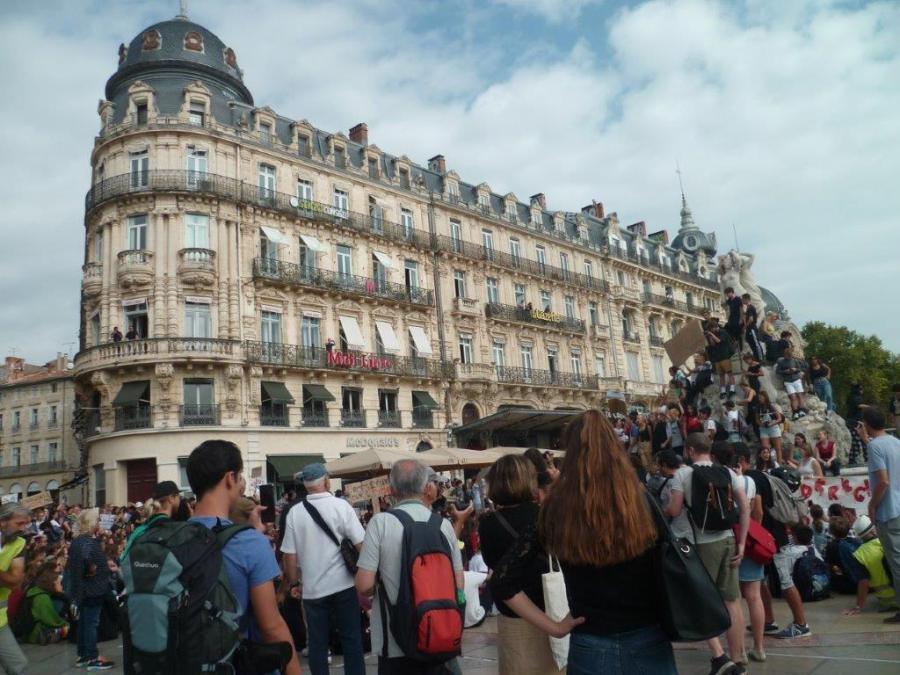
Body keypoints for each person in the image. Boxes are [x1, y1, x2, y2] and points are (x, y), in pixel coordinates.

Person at [492, 410, 677, 675]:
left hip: (590, 642)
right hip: (647, 636)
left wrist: (555, 628)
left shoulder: (556, 509)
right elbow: (670, 558)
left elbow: (503, 580)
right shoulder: (640, 500)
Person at [186, 440, 301, 675]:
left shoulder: (174, 538)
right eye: (240, 478)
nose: (241, 486)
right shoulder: (249, 543)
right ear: (230, 478)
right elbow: (271, 627)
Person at [355, 459, 464, 674]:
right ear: (425, 487)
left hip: (394, 640)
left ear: (391, 489)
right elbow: (458, 582)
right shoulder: (443, 525)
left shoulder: (380, 523)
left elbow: (364, 585)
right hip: (438, 633)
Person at [667, 434, 750, 674]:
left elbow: (674, 510)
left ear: (690, 450)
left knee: (701, 600)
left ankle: (720, 656)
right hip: (729, 540)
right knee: (732, 600)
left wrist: (663, 507)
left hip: (702, 543)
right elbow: (744, 508)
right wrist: (742, 543)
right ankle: (738, 657)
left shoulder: (683, 474)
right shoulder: (728, 472)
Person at [478, 455, 561, 675]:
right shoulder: (546, 516)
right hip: (553, 610)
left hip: (514, 618)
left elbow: (491, 562)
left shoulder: (488, 524)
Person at [282, 463, 366, 675]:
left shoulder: (294, 513)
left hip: (313, 590)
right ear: (326, 481)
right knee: (351, 639)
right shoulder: (341, 506)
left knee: (318, 644)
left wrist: (294, 583)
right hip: (343, 585)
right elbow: (361, 544)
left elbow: (289, 556)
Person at [858, 406, 900, 624]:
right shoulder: (895, 442)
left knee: (896, 562)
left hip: (889, 511)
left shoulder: (875, 447)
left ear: (866, 424)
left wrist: (872, 505)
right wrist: (866, 440)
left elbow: (883, 481)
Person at [65, 508, 114, 670]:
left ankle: (83, 655)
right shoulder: (87, 542)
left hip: (84, 589)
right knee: (91, 623)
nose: (99, 523)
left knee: (84, 623)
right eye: (97, 520)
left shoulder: (78, 541)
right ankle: (92, 657)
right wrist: (92, 569)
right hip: (92, 588)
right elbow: (86, 560)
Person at [733, 447, 767, 664]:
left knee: (733, 598)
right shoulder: (749, 482)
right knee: (754, 596)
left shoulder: (723, 480)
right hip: (751, 539)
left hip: (730, 539)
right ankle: (759, 648)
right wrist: (754, 532)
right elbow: (757, 511)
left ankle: (740, 650)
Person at [843, 515, 898, 615]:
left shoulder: (860, 554)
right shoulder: (890, 541)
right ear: (873, 530)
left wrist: (858, 606)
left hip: (889, 601)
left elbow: (863, 582)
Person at [0, 504, 30, 675]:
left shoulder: (19, 543)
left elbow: (16, 581)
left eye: (26, 523)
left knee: (18, 665)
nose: (23, 528)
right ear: (2, 521)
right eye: (19, 523)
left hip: (0, 620)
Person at [121, 480, 182, 560]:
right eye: (178, 496)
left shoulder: (139, 531)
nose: (180, 499)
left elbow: (123, 558)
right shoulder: (178, 530)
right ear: (171, 498)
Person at [22, 562, 70, 644]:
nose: (61, 586)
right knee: (70, 629)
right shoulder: (42, 597)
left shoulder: (37, 592)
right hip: (37, 633)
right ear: (52, 583)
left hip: (34, 630)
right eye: (59, 583)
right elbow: (52, 621)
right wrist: (66, 624)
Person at [705, 321, 736, 401]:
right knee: (721, 375)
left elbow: (719, 341)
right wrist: (710, 337)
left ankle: (732, 389)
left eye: (711, 329)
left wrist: (711, 334)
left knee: (729, 373)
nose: (711, 331)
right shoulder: (713, 334)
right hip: (717, 358)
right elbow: (713, 344)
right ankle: (723, 391)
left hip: (725, 356)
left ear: (714, 327)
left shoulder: (722, 332)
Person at [775, 347, 808, 421]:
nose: (789, 357)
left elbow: (801, 369)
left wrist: (796, 369)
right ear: (785, 354)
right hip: (788, 381)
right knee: (793, 397)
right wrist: (785, 371)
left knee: (800, 395)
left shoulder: (795, 361)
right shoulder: (781, 362)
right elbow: (777, 371)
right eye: (788, 355)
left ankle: (802, 410)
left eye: (790, 355)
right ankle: (795, 412)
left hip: (797, 380)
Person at [757, 390, 786, 464]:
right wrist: (761, 424)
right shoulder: (758, 408)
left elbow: (779, 418)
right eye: (759, 397)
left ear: (765, 397)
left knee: (778, 448)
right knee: (765, 449)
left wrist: (772, 423)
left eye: (761, 397)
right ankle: (767, 465)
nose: (759, 399)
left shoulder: (772, 406)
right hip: (764, 429)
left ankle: (779, 465)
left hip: (773, 428)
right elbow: (757, 420)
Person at [846, 383, 866, 464]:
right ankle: (853, 459)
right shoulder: (855, 398)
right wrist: (870, 407)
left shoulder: (851, 397)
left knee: (858, 441)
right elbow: (859, 405)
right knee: (858, 442)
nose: (862, 391)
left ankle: (853, 459)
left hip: (854, 421)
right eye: (861, 389)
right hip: (855, 422)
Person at [741, 294, 763, 361]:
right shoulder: (748, 308)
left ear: (746, 299)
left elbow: (751, 319)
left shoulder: (751, 307)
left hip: (752, 328)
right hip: (749, 329)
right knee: (751, 342)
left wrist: (745, 327)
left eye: (743, 299)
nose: (742, 301)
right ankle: (756, 358)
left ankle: (760, 359)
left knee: (756, 344)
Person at [723, 287, 744, 353]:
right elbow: (726, 307)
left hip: (737, 317)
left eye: (728, 293)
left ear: (732, 292)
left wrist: (741, 319)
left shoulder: (738, 299)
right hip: (732, 318)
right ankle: (733, 345)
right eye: (726, 294)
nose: (727, 295)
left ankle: (740, 349)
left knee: (738, 334)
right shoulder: (729, 300)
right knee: (727, 329)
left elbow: (741, 309)